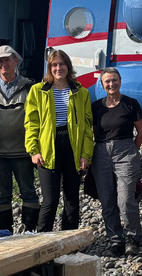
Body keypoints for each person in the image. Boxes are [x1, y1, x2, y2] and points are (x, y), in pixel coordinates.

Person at [24, 49, 94, 231]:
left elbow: (87, 128)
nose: (58, 68)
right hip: (48, 149)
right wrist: (34, 150)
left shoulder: (81, 92)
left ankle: (69, 242)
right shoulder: (38, 91)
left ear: (68, 67)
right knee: (50, 200)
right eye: (54, 65)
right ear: (49, 68)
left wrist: (86, 154)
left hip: (72, 148)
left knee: (72, 199)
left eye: (62, 64)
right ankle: (42, 242)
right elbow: (31, 123)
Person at [0, 45, 40, 232]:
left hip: (23, 151)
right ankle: (4, 232)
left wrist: (36, 148)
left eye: (7, 59)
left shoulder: (30, 87)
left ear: (16, 61)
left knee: (28, 192)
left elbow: (37, 118)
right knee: (2, 195)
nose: (3, 64)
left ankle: (30, 230)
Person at [91, 67, 142, 255]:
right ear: (102, 84)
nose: (111, 84)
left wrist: (133, 151)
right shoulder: (96, 107)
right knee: (107, 200)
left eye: (114, 80)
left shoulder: (131, 104)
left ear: (120, 81)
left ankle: (133, 236)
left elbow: (141, 132)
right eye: (107, 81)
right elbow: (93, 132)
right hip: (101, 152)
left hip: (125, 151)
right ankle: (116, 239)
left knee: (125, 199)